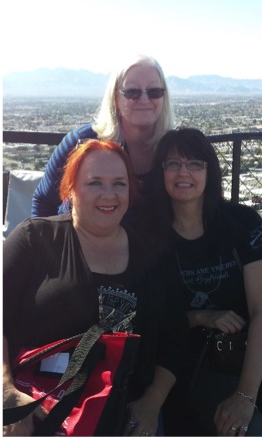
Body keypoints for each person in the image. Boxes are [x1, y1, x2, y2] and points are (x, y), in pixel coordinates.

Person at [3, 139, 188, 437]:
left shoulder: (153, 254)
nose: (109, 195)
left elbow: (175, 337)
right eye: (94, 183)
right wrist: (7, 392)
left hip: (126, 416)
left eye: (119, 183)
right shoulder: (34, 239)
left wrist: (151, 404)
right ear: (71, 189)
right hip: (37, 413)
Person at [151, 127, 262, 436]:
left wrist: (245, 396)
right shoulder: (150, 238)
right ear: (160, 172)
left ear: (208, 171)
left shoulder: (242, 223)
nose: (183, 172)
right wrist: (200, 316)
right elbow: (153, 321)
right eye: (172, 163)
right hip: (196, 368)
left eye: (195, 163)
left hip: (251, 358)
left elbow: (260, 309)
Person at [31, 54, 174, 218]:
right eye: (132, 92)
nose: (144, 99)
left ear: (164, 97)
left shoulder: (175, 151)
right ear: (115, 97)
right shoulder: (81, 143)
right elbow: (43, 202)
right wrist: (48, 242)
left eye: (154, 91)